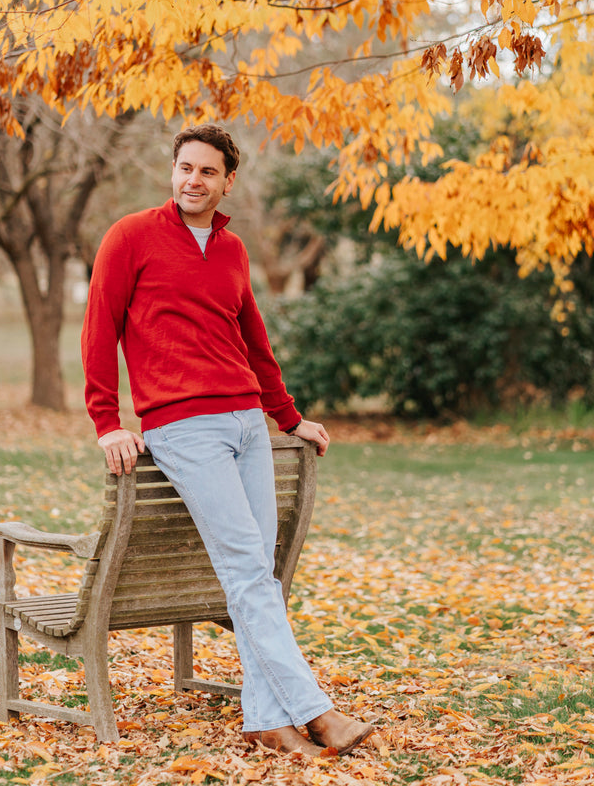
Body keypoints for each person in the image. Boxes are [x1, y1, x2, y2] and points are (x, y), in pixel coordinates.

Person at [81, 124, 375, 757]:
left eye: (208, 171)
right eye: (185, 168)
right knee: (247, 568)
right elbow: (98, 330)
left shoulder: (234, 250)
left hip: (247, 423)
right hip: (183, 427)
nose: (194, 180)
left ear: (227, 180)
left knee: (255, 573)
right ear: (173, 172)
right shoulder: (130, 237)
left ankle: (267, 722)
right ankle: (317, 713)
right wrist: (107, 421)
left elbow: (255, 343)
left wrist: (287, 416)